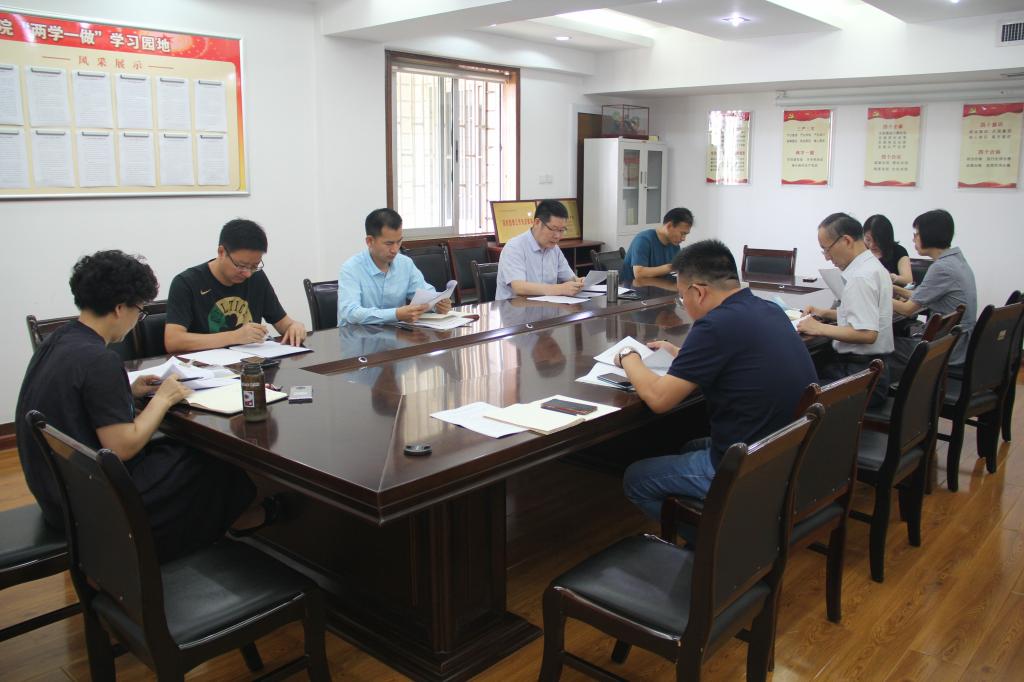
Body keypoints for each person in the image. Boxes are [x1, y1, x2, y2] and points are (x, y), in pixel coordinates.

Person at [16, 251, 270, 562]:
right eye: (139, 310)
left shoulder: (58, 340)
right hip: (98, 502)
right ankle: (240, 525)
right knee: (211, 461)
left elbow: (75, 399)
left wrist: (127, 391)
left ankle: (234, 522)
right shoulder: (99, 360)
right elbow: (122, 447)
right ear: (119, 308)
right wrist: (163, 399)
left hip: (56, 490)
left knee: (181, 454)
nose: (138, 318)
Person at [619, 240, 817, 520]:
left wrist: (628, 355)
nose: (683, 304)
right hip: (787, 449)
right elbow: (737, 360)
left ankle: (714, 541)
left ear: (699, 292)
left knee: (635, 479)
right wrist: (680, 354)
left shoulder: (714, 325)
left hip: (750, 462)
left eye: (681, 297)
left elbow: (659, 399)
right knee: (689, 446)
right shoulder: (767, 308)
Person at [165, 219, 306, 352]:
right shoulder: (186, 283)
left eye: (254, 266)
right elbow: (173, 341)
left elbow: (283, 323)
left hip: (251, 364)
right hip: (205, 366)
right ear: (221, 252)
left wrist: (294, 326)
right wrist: (234, 336)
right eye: (241, 266)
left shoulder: (257, 278)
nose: (248, 274)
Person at [798, 213, 893, 406]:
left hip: (861, 378)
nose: (827, 257)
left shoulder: (860, 277)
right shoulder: (872, 266)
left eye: (827, 249)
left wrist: (819, 328)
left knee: (795, 391)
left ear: (847, 241)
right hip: (874, 372)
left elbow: (867, 333)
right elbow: (865, 314)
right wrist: (824, 313)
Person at [889, 209, 977, 378]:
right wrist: (893, 289)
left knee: (883, 345)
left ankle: (901, 391)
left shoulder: (942, 267)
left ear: (929, 234)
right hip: (958, 343)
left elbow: (907, 309)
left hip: (946, 349)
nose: (913, 239)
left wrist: (877, 294)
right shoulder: (956, 260)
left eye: (916, 234)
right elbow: (922, 295)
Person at [337, 208, 453, 325]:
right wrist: (395, 314)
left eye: (399, 242)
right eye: (389, 243)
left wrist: (437, 304)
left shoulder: (405, 264)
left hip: (395, 332)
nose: (395, 249)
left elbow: (426, 293)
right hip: (357, 334)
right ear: (370, 241)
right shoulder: (351, 269)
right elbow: (350, 313)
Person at [496, 199, 583, 301]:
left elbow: (569, 278)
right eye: (553, 229)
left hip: (546, 307)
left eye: (561, 230)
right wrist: (560, 289)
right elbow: (519, 287)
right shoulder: (515, 247)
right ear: (537, 222)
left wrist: (578, 282)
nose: (557, 236)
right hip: (515, 308)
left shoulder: (555, 249)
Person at [621, 207, 693, 279]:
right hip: (633, 285)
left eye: (686, 234)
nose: (683, 239)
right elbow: (639, 273)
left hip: (658, 283)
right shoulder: (643, 239)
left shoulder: (674, 244)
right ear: (669, 226)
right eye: (682, 233)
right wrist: (672, 267)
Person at [863, 214, 913, 286]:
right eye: (868, 239)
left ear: (886, 238)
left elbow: (908, 279)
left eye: (877, 241)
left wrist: (891, 277)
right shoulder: (861, 250)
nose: (872, 245)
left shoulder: (898, 251)